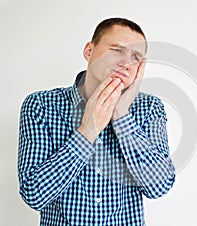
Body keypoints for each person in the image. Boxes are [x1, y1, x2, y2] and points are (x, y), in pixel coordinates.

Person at [18, 17, 175, 225]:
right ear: (89, 51)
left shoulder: (149, 108)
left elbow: (159, 187)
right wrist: (88, 131)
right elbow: (34, 194)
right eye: (117, 50)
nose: (126, 63)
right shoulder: (41, 105)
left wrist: (122, 116)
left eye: (135, 57)